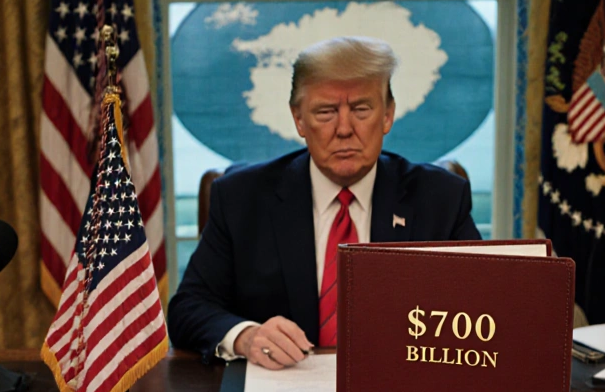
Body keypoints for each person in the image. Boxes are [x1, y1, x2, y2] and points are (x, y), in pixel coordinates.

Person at [166, 36, 481, 368]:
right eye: (325, 112)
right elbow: (188, 308)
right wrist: (246, 337)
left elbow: (483, 308)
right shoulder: (241, 198)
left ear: (387, 115)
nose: (344, 129)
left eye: (361, 109)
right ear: (299, 119)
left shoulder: (441, 198)